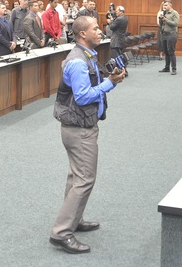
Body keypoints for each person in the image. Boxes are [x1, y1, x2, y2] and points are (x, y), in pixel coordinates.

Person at [49, 16, 126, 254]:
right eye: (95, 28)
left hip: (81, 126)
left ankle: (74, 220)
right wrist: (109, 83)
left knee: (76, 177)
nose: (101, 31)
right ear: (83, 34)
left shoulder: (87, 56)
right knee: (84, 179)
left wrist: (110, 80)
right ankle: (61, 233)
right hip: (79, 130)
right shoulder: (77, 62)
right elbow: (82, 97)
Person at [158, 0, 179, 75]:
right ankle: (167, 67)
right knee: (166, 52)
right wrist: (161, 19)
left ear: (170, 5)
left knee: (171, 52)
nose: (164, 6)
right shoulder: (164, 13)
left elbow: (175, 23)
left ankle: (174, 69)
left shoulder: (174, 13)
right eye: (164, 5)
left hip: (171, 34)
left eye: (166, 5)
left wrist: (166, 19)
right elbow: (161, 24)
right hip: (164, 34)